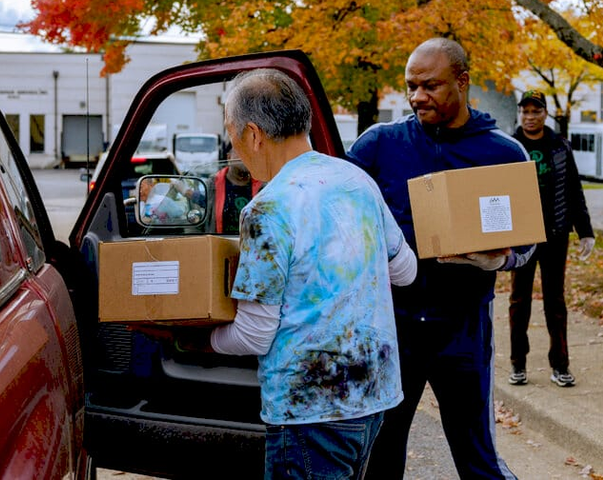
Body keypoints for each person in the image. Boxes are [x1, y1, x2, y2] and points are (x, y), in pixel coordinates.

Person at [209, 68, 418, 479]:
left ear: (253, 135)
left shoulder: (267, 210)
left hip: (309, 410)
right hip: (375, 397)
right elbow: (406, 271)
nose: (234, 150)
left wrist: (200, 338)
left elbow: (255, 333)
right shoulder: (357, 181)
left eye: (232, 135)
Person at [346, 37, 534, 479]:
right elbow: (339, 211)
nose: (416, 97)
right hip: (393, 329)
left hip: (464, 330)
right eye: (411, 86)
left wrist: (497, 261)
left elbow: (526, 246)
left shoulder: (503, 153)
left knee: (478, 459)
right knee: (380, 455)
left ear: (462, 81)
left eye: (430, 86)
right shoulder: (379, 144)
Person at [508, 90, 595, 388]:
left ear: (545, 114)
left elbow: (574, 189)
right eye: (526, 112)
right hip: (521, 235)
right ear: (520, 114)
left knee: (555, 301)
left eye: (536, 111)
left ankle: (560, 364)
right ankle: (517, 362)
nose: (530, 117)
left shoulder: (560, 146)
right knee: (519, 300)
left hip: (555, 233)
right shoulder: (509, 146)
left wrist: (585, 231)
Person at [210, 140, 262, 234]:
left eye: (249, 151)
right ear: (229, 157)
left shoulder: (263, 187)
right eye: (241, 150)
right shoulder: (213, 184)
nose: (246, 155)